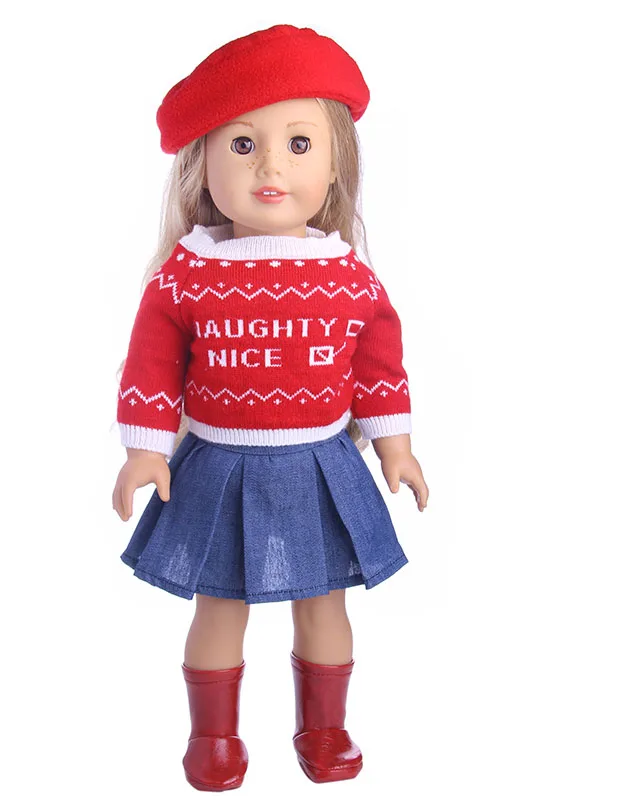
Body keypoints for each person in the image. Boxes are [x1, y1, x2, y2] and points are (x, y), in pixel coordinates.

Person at [111, 24, 429, 792]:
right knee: (220, 605)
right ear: (204, 164)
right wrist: (145, 449)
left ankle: (325, 726)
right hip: (218, 466)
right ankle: (213, 736)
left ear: (336, 162)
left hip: (320, 465)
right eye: (244, 144)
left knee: (324, 604)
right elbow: (152, 363)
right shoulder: (188, 274)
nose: (272, 167)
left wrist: (395, 444)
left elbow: (378, 363)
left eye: (299, 143)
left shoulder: (348, 276)